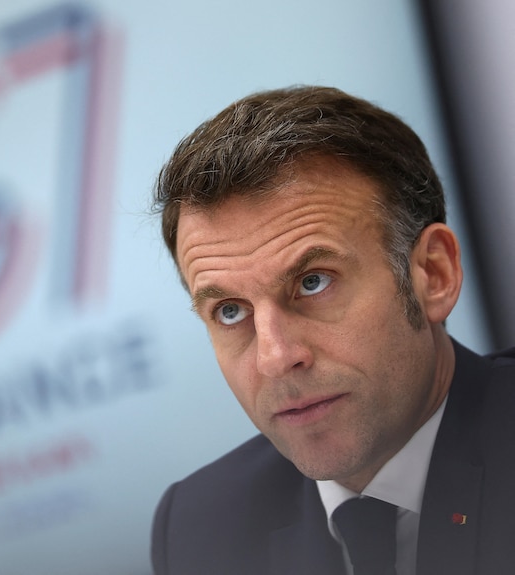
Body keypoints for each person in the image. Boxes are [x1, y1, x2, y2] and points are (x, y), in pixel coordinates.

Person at [149, 86, 515, 575]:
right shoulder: (203, 530)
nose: (276, 357)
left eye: (313, 282)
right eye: (231, 312)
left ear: (434, 274)